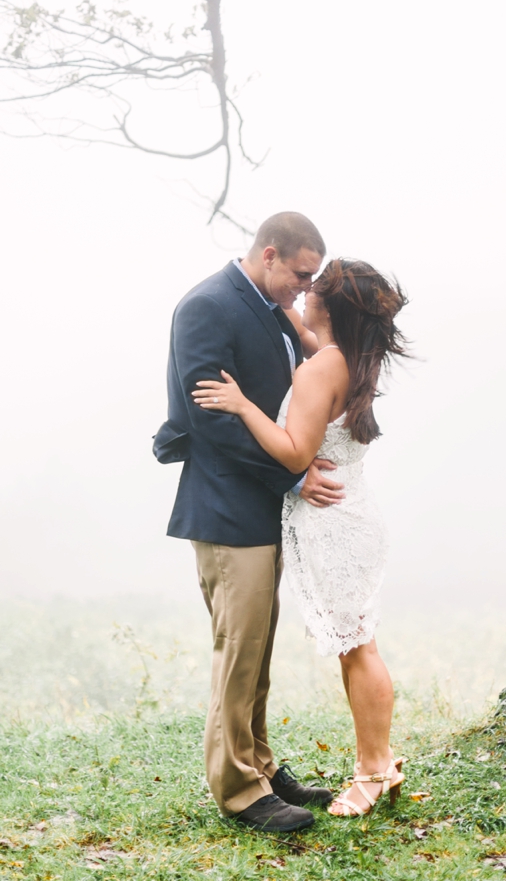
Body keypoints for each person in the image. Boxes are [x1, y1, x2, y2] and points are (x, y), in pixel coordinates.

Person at [192, 258, 410, 818]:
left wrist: (241, 404)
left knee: (357, 650)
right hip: (352, 515)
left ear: (329, 307)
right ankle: (381, 764)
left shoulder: (319, 369)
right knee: (361, 644)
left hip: (335, 525)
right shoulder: (353, 356)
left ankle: (373, 771)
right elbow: (303, 325)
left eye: (315, 287)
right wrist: (277, 296)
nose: (304, 292)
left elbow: (292, 453)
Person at [153, 212, 346, 834]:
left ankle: (259, 764)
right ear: (269, 254)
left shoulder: (270, 306)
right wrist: (290, 476)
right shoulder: (206, 306)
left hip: (261, 509)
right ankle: (238, 791)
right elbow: (211, 422)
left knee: (256, 648)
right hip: (226, 506)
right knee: (237, 652)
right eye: (300, 272)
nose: (304, 286)